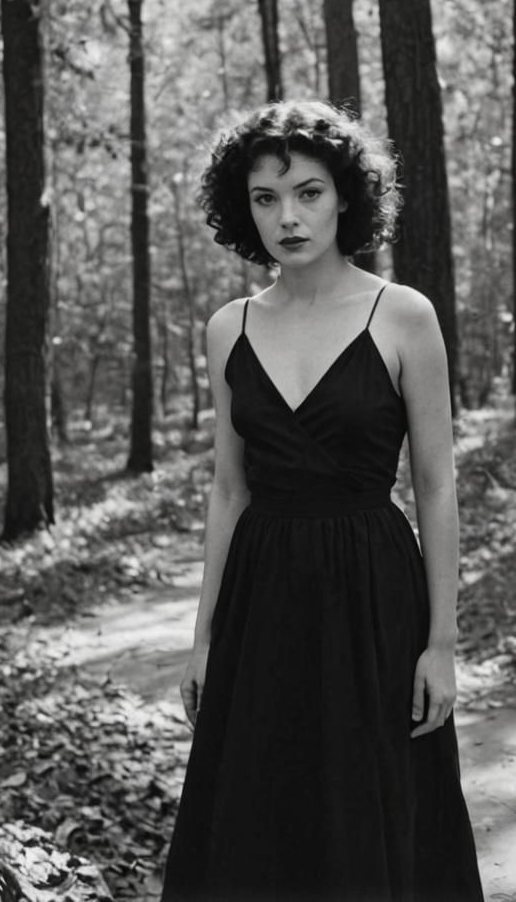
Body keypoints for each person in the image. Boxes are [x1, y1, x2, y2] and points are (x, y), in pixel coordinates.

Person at [160, 100, 484, 902]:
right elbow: (229, 487)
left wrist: (441, 642)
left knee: (374, 802)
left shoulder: (402, 315)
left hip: (373, 592)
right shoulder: (227, 328)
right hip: (262, 595)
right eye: (266, 199)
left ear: (345, 196)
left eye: (307, 192)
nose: (288, 217)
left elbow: (437, 484)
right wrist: (203, 638)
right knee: (262, 809)